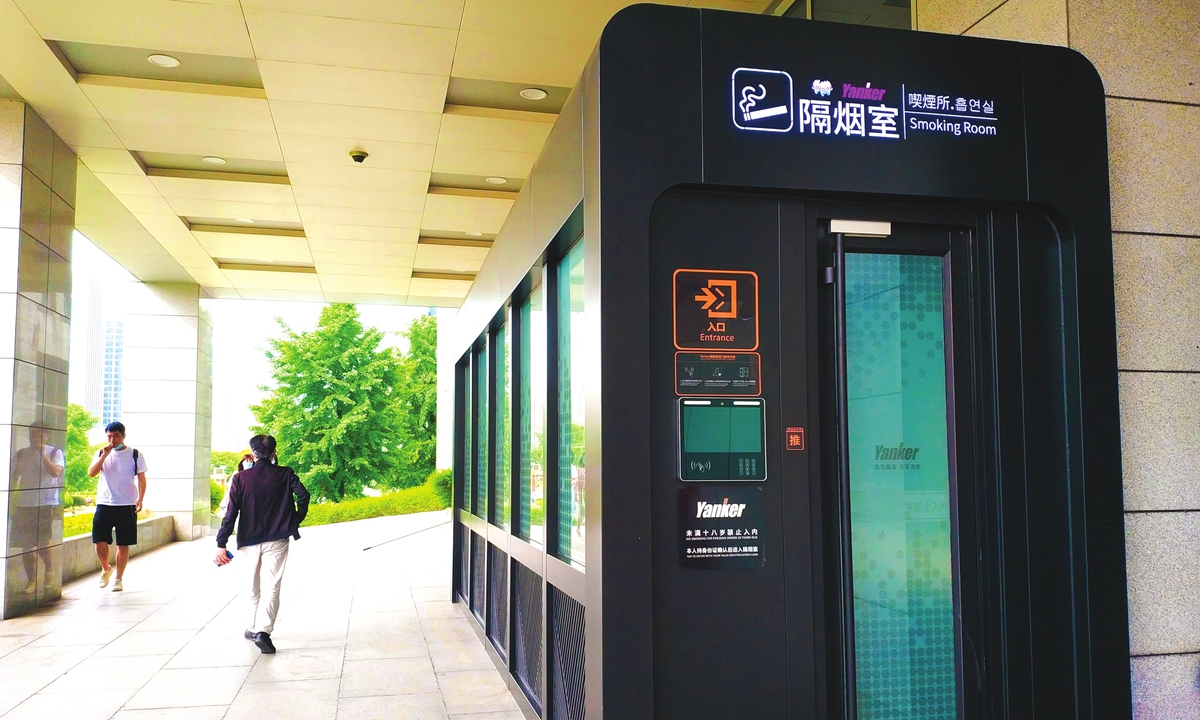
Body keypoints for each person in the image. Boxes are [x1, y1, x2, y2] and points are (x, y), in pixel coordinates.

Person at [215, 434, 310, 654]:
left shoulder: (241, 479)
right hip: (278, 537)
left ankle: (251, 627)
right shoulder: (285, 474)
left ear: (253, 453)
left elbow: (231, 513)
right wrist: (295, 519)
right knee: (272, 585)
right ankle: (264, 631)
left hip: (249, 539)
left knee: (252, 585)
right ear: (274, 452)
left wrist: (221, 542)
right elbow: (303, 495)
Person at [86, 421, 147, 593]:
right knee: (99, 540)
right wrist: (104, 455)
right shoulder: (101, 453)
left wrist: (140, 498)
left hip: (126, 504)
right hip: (104, 503)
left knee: (123, 543)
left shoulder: (135, 454)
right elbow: (91, 473)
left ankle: (118, 579)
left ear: (123, 436)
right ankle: (106, 568)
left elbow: (142, 479)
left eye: (116, 436)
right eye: (109, 436)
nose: (112, 439)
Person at [10, 424, 64, 597]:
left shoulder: (55, 452)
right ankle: (31, 580)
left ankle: (49, 570)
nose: (34, 439)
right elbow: (14, 477)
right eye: (32, 435)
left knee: (42, 544)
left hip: (45, 504)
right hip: (25, 505)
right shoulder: (21, 453)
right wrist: (12, 501)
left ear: (46, 437)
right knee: (26, 546)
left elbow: (56, 473)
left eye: (39, 436)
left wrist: (42, 455)